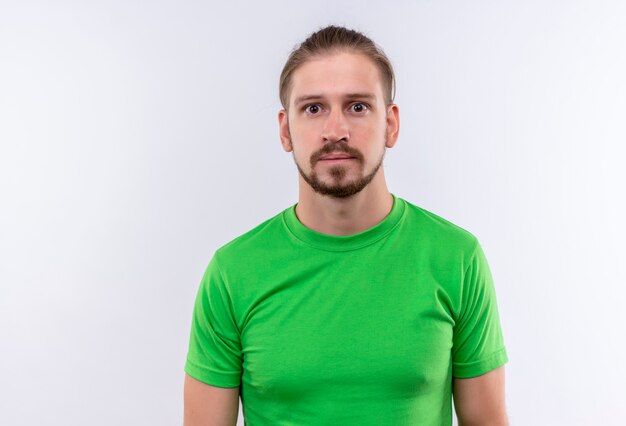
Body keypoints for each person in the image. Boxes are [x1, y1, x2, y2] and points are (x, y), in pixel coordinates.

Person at [183, 25, 508, 426]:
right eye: (313, 108)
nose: (335, 131)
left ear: (391, 124)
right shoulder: (232, 273)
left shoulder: (457, 258)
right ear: (285, 130)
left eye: (357, 106)